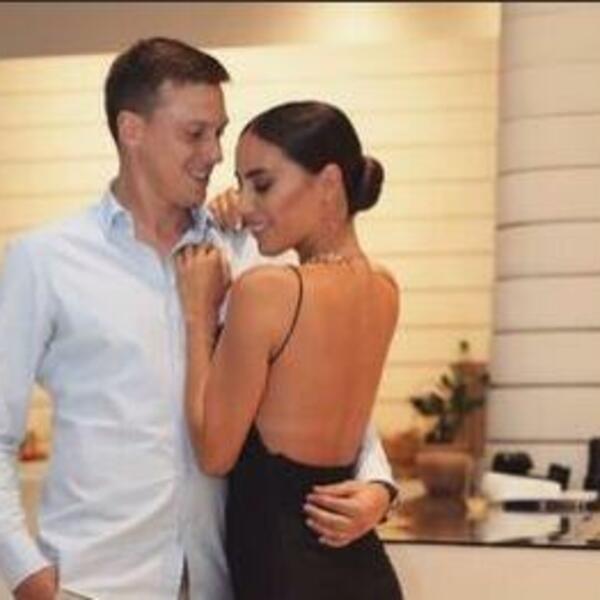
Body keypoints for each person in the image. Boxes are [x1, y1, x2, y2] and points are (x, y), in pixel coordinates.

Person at [0, 38, 398, 600]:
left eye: (219, 132)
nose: (213, 154)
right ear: (132, 130)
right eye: (195, 133)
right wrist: (28, 576)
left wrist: (378, 484)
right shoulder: (44, 260)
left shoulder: (252, 255)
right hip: (96, 584)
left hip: (223, 580)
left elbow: (324, 394)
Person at [175, 101, 403, 599]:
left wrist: (198, 316)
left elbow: (214, 452)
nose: (245, 205)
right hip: (361, 568)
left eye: (263, 185)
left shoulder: (267, 292)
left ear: (328, 183)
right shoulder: (385, 288)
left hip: (285, 573)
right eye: (240, 185)